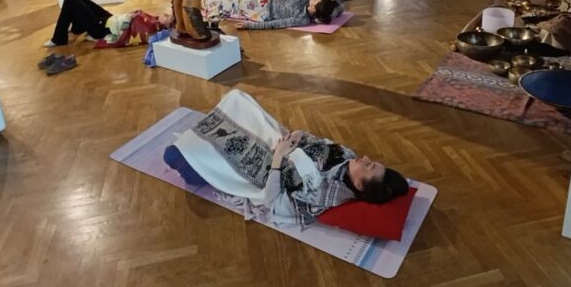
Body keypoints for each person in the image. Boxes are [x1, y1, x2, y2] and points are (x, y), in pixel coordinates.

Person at [168, 89, 410, 228]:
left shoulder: (322, 192)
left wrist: (278, 157)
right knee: (238, 98)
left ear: (359, 185)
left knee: (174, 155)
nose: (365, 158)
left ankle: (199, 157)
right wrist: (299, 136)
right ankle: (205, 140)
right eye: (371, 161)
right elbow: (318, 142)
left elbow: (272, 201)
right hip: (280, 144)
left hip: (262, 169)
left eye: (368, 166)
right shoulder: (347, 157)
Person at [45, 0, 171, 47]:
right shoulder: (155, 22)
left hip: (102, 30)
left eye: (166, 17)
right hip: (111, 21)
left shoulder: (154, 28)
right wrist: (131, 15)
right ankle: (77, 28)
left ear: (169, 25)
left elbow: (126, 33)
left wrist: (129, 18)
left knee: (70, 0)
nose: (163, 14)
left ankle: (59, 39)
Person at [201, 0, 342, 30]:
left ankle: (205, 2)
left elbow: (277, 23)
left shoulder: (302, 18)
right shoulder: (305, 0)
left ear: (314, 9)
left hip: (261, 10)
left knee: (232, 4)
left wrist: (249, 26)